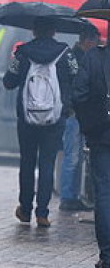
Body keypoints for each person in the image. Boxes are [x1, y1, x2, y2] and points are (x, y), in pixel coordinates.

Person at [3, 20, 78, 228]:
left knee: (27, 163)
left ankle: (25, 209)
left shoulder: (23, 52)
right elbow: (76, 76)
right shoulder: (65, 52)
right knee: (47, 163)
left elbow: (8, 82)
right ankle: (42, 213)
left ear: (34, 30)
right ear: (54, 31)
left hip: (27, 118)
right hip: (55, 118)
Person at [73, 40, 110, 268]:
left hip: (101, 135)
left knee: (104, 193)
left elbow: (78, 95)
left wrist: (89, 124)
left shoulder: (93, 57)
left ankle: (107, 255)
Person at [59, 23, 100, 212]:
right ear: (87, 40)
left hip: (78, 113)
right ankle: (68, 197)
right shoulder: (77, 59)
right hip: (75, 113)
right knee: (73, 156)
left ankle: (72, 195)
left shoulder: (77, 56)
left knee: (75, 157)